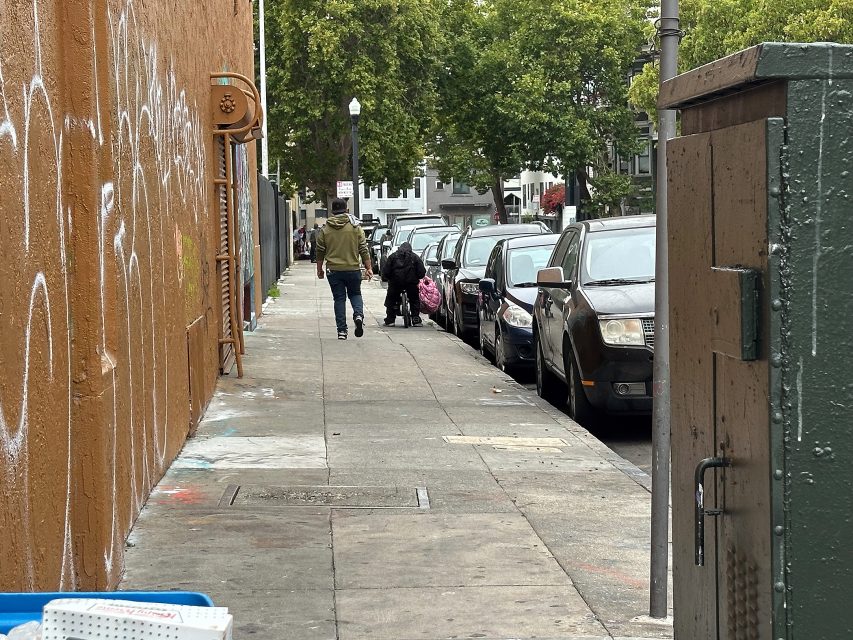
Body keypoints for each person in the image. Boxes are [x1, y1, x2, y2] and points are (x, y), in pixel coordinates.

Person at [315, 199, 373, 340]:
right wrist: (368, 267)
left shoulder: (325, 229)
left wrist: (319, 269)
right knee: (355, 294)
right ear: (346, 210)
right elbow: (363, 249)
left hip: (334, 270)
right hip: (352, 268)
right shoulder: (355, 228)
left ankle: (342, 331)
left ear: (332, 212)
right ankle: (358, 315)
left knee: (339, 299)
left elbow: (320, 251)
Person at [381, 241, 426, 326]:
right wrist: (418, 277)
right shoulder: (415, 257)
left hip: (395, 283)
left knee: (391, 299)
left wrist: (386, 278)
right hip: (411, 284)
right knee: (414, 299)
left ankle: (390, 320)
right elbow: (421, 272)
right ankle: (415, 319)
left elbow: (386, 271)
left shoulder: (392, 257)